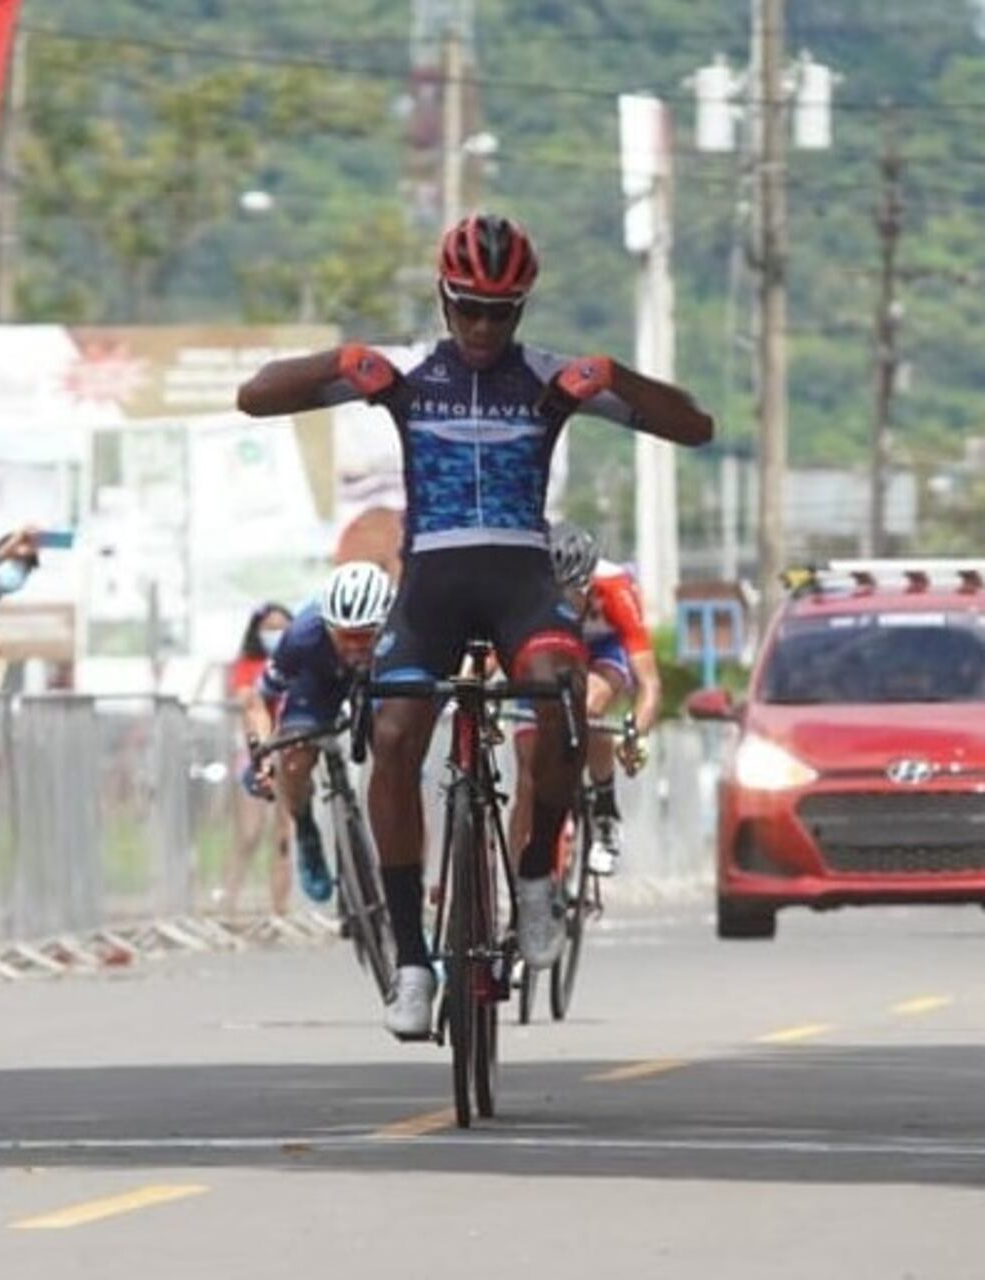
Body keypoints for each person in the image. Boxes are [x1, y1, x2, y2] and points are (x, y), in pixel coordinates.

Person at [238, 212, 713, 1038]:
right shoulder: (407, 373)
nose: (485, 327)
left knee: (564, 696)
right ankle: (414, 962)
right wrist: (337, 361)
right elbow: (254, 396)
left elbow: (695, 426)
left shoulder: (551, 378)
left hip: (522, 581)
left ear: (523, 308)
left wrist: (621, 380)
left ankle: (535, 880)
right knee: (392, 736)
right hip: (431, 585)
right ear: (444, 299)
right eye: (469, 309)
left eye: (503, 312)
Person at [508, 523, 659, 877]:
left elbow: (649, 682)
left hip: (601, 652)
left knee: (588, 703)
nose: (565, 604)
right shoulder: (526, 585)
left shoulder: (616, 587)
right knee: (528, 780)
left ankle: (604, 807)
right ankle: (520, 897)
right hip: (549, 652)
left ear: (589, 584)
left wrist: (637, 732)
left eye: (572, 595)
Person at [242, 561, 394, 904]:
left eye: (365, 636)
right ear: (327, 626)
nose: (355, 645)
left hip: (378, 679)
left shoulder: (403, 629)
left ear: (384, 626)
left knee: (397, 761)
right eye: (344, 636)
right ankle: (306, 828)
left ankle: (404, 887)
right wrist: (264, 754)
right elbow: (258, 700)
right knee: (293, 761)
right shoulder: (302, 636)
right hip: (318, 682)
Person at [222, 601, 295, 916]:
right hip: (254, 754)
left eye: (282, 628)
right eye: (270, 628)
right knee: (249, 832)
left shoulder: (297, 664)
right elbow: (245, 702)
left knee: (284, 833)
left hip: (289, 750)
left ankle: (279, 906)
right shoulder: (248, 667)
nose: (275, 634)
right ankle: (229, 901)